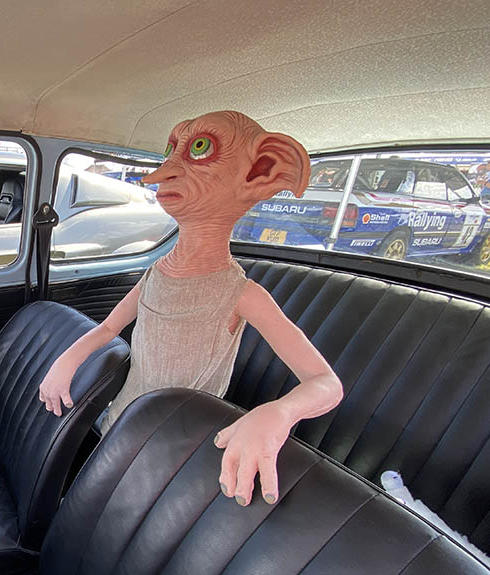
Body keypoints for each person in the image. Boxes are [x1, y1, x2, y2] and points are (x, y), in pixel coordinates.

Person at [39, 111, 343, 507]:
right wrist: (65, 362)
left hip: (178, 448)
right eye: (171, 150)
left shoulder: (241, 294)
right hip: (119, 428)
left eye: (200, 149)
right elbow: (109, 328)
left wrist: (279, 414)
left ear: (262, 171)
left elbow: (325, 383)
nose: (160, 173)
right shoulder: (156, 272)